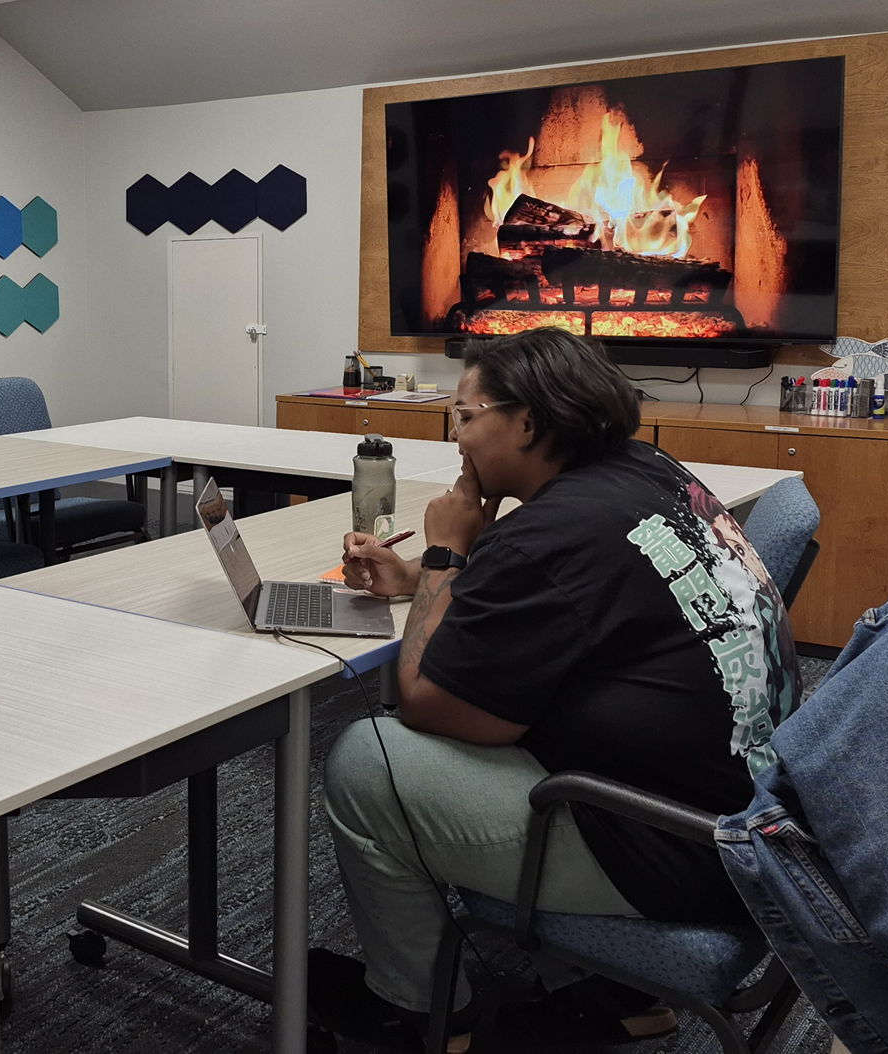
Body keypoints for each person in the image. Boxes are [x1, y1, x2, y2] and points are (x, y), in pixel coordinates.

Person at [314, 329, 798, 1049]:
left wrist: (447, 550)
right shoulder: (648, 472)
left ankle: (426, 1018)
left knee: (368, 757)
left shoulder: (548, 533)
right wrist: (424, 582)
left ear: (528, 422)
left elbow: (425, 700)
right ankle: (623, 995)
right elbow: (568, 599)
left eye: (465, 416)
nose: (457, 440)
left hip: (677, 846)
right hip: (752, 808)